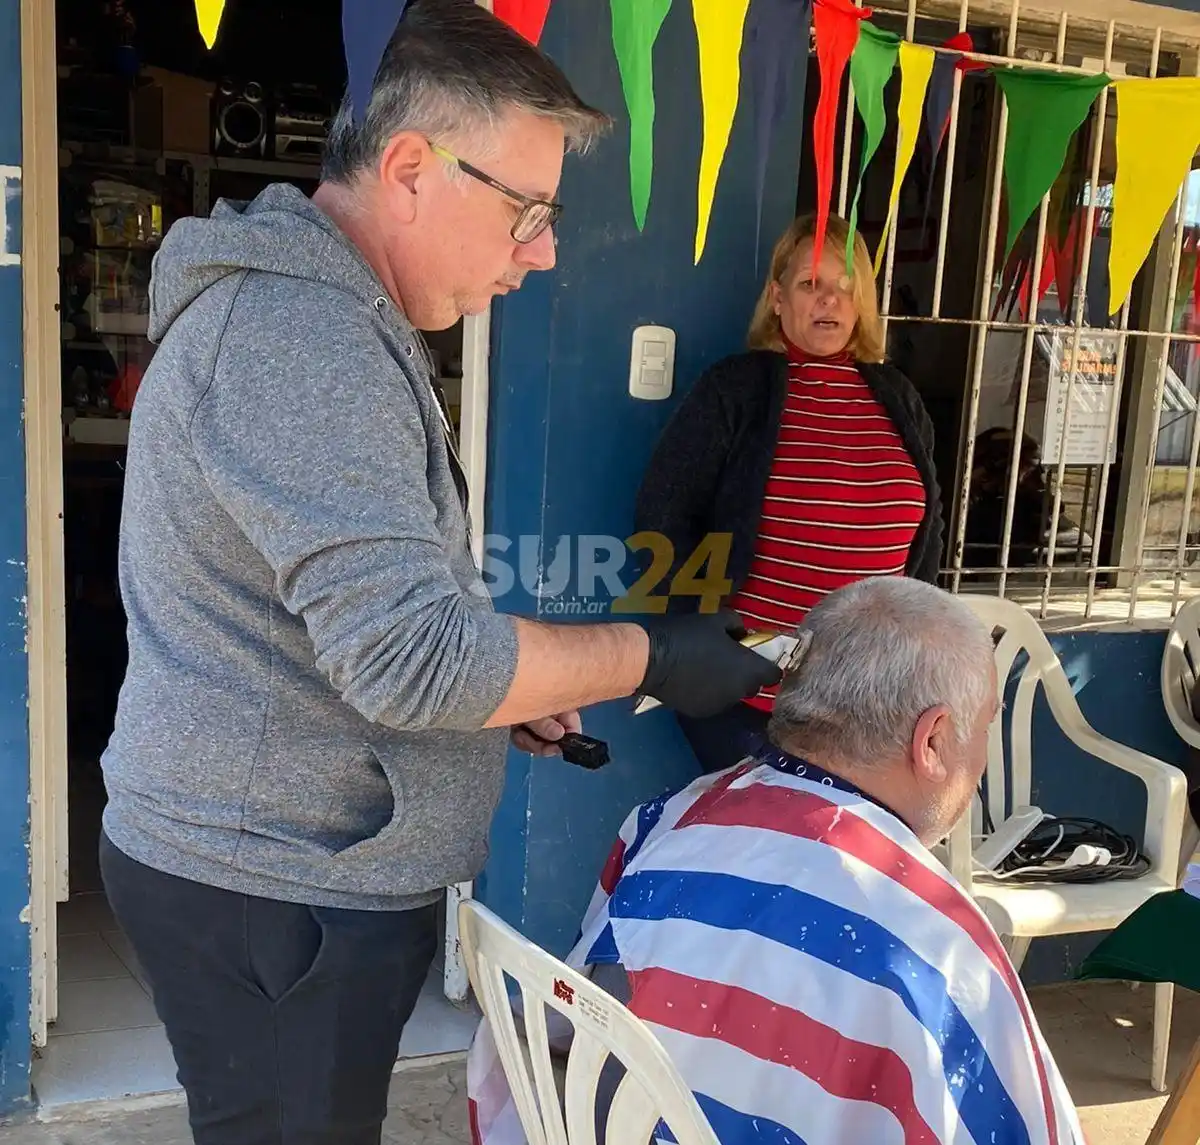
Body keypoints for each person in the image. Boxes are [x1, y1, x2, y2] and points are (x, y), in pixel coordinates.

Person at [97, 3, 782, 1142]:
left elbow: (370, 625)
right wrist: (653, 654)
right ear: (410, 166)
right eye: (530, 212)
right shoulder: (298, 335)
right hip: (276, 890)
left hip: (285, 871)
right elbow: (415, 658)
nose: (548, 250)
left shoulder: (325, 318)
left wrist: (503, 691)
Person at [467, 577, 1086, 1145]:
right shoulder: (939, 948)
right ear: (931, 741)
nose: (979, 759)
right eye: (983, 727)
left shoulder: (665, 821)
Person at [635, 211, 944, 774]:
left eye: (845, 287)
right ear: (778, 298)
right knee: (765, 854)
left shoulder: (897, 397)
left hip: (872, 703)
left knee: (847, 858)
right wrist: (698, 643)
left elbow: (929, 536)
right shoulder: (738, 388)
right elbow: (664, 517)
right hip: (751, 705)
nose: (829, 301)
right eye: (810, 284)